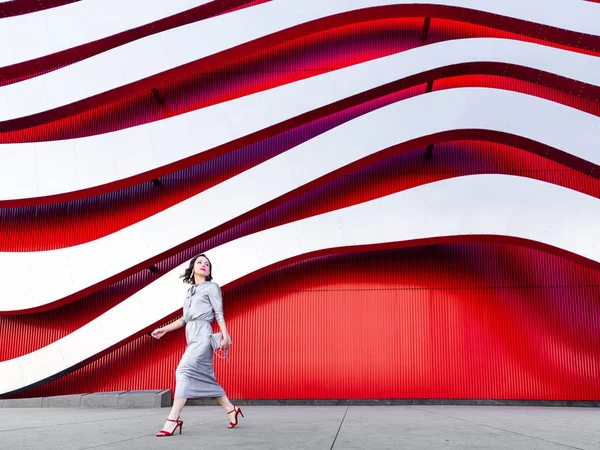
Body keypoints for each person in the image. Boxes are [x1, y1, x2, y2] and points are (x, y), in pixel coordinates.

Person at [151, 254, 243, 437]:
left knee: (183, 371)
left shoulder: (212, 287)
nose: (204, 265)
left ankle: (173, 419)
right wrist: (164, 329)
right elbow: (185, 319)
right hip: (190, 335)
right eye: (199, 262)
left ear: (209, 271)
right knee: (206, 378)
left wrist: (225, 337)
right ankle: (231, 409)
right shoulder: (190, 292)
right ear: (192, 267)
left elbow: (219, 313)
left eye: (207, 264)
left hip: (203, 335)